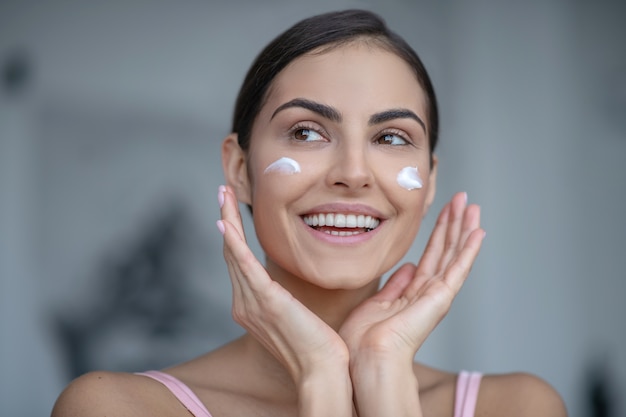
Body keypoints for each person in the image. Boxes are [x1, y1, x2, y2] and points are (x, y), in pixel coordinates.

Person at [51, 9, 567, 417]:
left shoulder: (518, 407)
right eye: (306, 132)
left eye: (390, 137)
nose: (354, 172)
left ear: (429, 181)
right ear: (239, 168)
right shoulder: (115, 407)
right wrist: (321, 377)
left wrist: (385, 377)